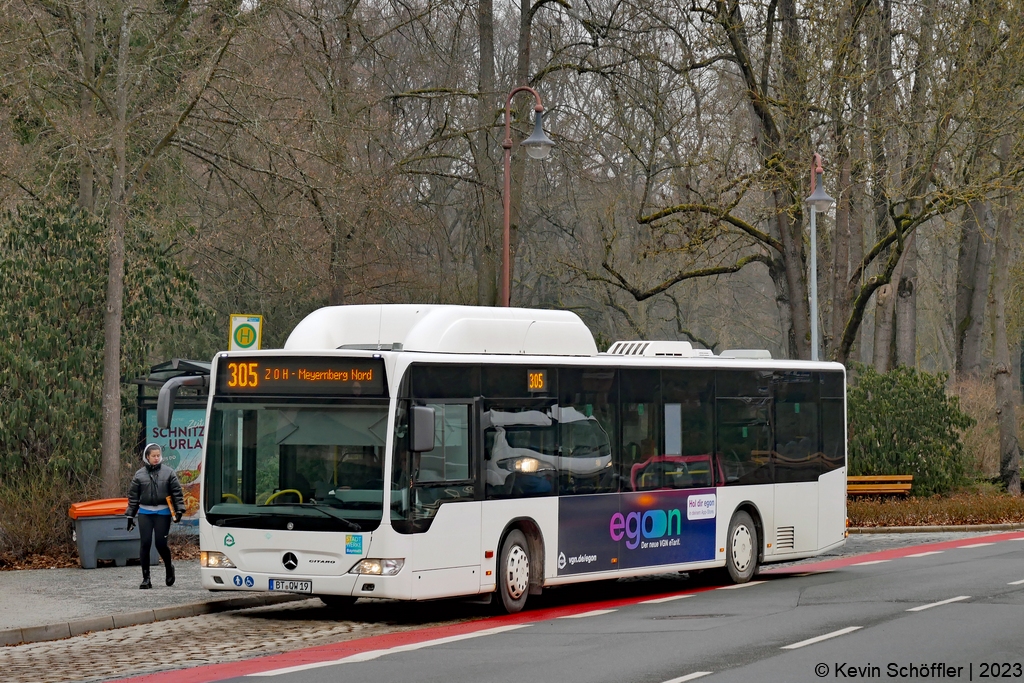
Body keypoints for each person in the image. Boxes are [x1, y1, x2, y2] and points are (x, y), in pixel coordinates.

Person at [125, 443, 185, 589]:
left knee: (160, 544)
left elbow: (177, 493)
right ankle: (146, 578)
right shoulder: (139, 475)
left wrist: (179, 510)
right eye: (153, 456)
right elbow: (133, 498)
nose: (156, 458)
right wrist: (130, 516)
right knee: (145, 543)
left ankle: (169, 568)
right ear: (147, 457)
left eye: (158, 455)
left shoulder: (169, 472)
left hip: (163, 512)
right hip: (145, 512)